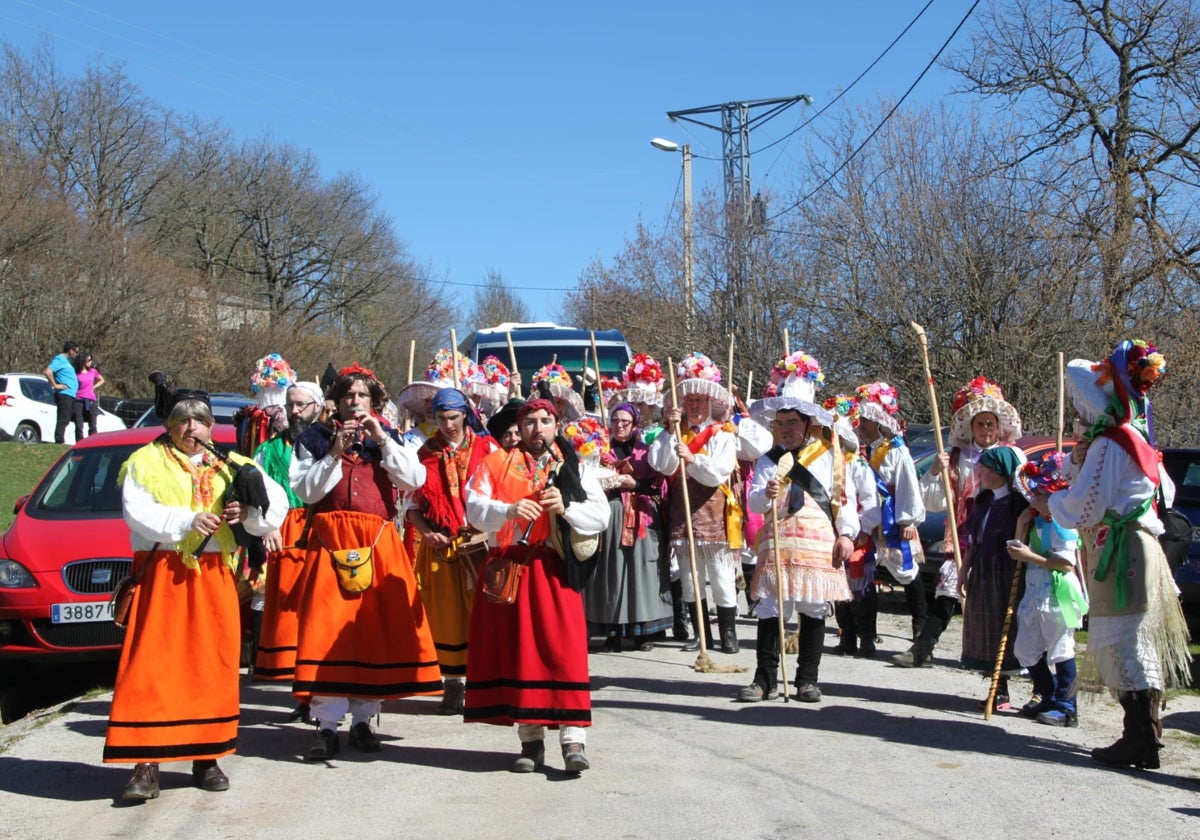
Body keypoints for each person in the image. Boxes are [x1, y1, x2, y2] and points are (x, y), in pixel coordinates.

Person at [105, 391, 287, 800]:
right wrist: (188, 519)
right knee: (152, 664)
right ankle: (145, 765)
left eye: (200, 421)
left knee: (211, 664)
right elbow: (138, 512)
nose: (193, 429)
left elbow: (275, 505)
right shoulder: (145, 462)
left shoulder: (233, 463)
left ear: (210, 426)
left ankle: (207, 756)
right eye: (183, 421)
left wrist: (248, 515)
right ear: (169, 427)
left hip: (212, 575)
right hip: (164, 574)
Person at [1048, 341, 1190, 770]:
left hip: (1125, 550)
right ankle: (1144, 736)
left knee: (1126, 645)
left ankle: (1140, 741)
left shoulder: (1112, 442)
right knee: (1134, 643)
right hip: (1137, 546)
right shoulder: (1130, 438)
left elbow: (1084, 505)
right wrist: (1079, 461)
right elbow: (1164, 489)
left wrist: (1051, 506)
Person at [291, 364, 441, 760]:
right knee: (326, 634)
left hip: (375, 543)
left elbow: (414, 480)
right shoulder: (314, 438)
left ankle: (363, 721)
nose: (355, 403)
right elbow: (306, 493)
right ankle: (325, 725)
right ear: (337, 403)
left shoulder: (389, 438)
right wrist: (335, 454)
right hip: (329, 542)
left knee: (371, 634)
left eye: (362, 397)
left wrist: (384, 442)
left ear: (374, 403)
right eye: (348, 397)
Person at [463, 398, 609, 773]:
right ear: (520, 426)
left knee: (564, 653)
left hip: (555, 569)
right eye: (530, 421)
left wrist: (566, 508)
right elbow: (474, 510)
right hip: (509, 567)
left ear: (556, 426)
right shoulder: (494, 463)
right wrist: (507, 511)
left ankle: (573, 740)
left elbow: (601, 516)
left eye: (546, 421)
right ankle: (530, 742)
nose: (538, 428)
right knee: (517, 654)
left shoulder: (575, 467)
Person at [736, 354, 858, 703]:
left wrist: (847, 533)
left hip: (817, 541)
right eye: (781, 422)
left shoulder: (828, 456)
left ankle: (807, 679)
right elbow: (755, 502)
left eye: (792, 422)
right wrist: (767, 494)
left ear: (807, 423)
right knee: (771, 608)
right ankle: (765, 679)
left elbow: (842, 499)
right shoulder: (767, 459)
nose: (786, 428)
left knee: (812, 607)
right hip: (778, 539)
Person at [896, 377, 1025, 668]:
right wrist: (933, 471)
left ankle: (1013, 662)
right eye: (980, 424)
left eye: (990, 423)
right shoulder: (958, 457)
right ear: (971, 427)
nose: (986, 430)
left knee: (998, 598)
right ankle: (923, 648)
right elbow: (933, 502)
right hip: (965, 530)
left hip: (1000, 531)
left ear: (999, 426)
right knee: (949, 590)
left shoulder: (1012, 455)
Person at [407, 388, 497, 714]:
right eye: (441, 418)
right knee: (448, 619)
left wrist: (490, 530)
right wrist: (428, 533)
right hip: (441, 545)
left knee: (483, 613)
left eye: (453, 417)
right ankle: (452, 683)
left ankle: (484, 682)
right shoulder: (424, 454)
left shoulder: (488, 448)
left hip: (480, 544)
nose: (447, 424)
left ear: (465, 415)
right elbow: (411, 506)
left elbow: (501, 495)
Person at [648, 352, 741, 654]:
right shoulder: (674, 433)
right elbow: (661, 465)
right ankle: (701, 634)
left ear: (710, 404)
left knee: (721, 575)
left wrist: (693, 459)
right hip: (683, 515)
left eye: (700, 402)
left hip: (713, 514)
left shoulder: (722, 435)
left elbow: (718, 474)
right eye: (690, 403)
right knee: (689, 578)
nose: (695, 407)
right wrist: (668, 429)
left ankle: (728, 634)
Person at [252, 380, 325, 724]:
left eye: (302, 404)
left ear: (318, 407)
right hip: (286, 531)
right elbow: (255, 488)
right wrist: (266, 526)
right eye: (291, 404)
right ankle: (303, 693)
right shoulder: (269, 449)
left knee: (321, 611)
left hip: (322, 529)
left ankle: (326, 690)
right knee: (291, 612)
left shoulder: (329, 441)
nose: (295, 411)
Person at [585, 402, 673, 651]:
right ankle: (612, 629)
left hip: (642, 518)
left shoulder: (647, 452)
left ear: (635, 424)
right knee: (611, 572)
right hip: (611, 518)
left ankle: (643, 632)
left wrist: (635, 484)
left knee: (641, 573)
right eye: (615, 420)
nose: (619, 425)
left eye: (625, 421)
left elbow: (659, 486)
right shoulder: (599, 451)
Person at [1009, 451, 1087, 727]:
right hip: (1035, 593)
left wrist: (1032, 557)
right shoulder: (1037, 521)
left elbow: (1065, 565)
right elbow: (1018, 549)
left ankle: (1068, 707)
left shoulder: (1063, 527)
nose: (1034, 498)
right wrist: (1021, 522)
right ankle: (1049, 693)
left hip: (1057, 595)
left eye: (1040, 494)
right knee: (1026, 649)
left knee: (1061, 649)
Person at [854, 382, 927, 647]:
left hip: (892, 520)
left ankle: (920, 629)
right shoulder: (866, 450)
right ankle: (866, 635)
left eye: (864, 419)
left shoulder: (896, 450)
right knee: (865, 571)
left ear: (876, 421)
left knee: (906, 571)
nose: (859, 424)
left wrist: (908, 520)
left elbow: (907, 484)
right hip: (870, 519)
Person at [959, 445, 1026, 708]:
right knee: (986, 630)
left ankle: (1024, 688)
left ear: (999, 472)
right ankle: (996, 686)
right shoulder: (984, 501)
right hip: (983, 571)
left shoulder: (1015, 506)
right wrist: (964, 572)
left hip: (1005, 573)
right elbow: (974, 541)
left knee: (1007, 628)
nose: (980, 473)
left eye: (985, 469)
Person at [824, 397, 883, 657]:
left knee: (862, 590)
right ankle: (846, 635)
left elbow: (870, 500)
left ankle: (867, 637)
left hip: (857, 536)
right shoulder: (824, 466)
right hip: (832, 534)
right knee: (840, 590)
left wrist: (863, 529)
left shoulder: (857, 465)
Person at [44, 340, 82, 443]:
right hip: (64, 394)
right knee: (63, 418)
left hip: (71, 395)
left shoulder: (66, 362)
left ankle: (77, 441)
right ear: (70, 351)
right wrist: (54, 385)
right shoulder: (60, 359)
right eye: (76, 352)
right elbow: (48, 371)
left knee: (73, 418)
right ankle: (59, 440)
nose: (76, 354)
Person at [74, 351, 105, 437]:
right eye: (89, 360)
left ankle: (92, 442)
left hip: (91, 399)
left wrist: (93, 387)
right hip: (78, 399)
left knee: (93, 423)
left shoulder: (92, 371)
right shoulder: (76, 373)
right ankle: (79, 442)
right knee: (79, 424)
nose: (91, 362)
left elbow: (102, 380)